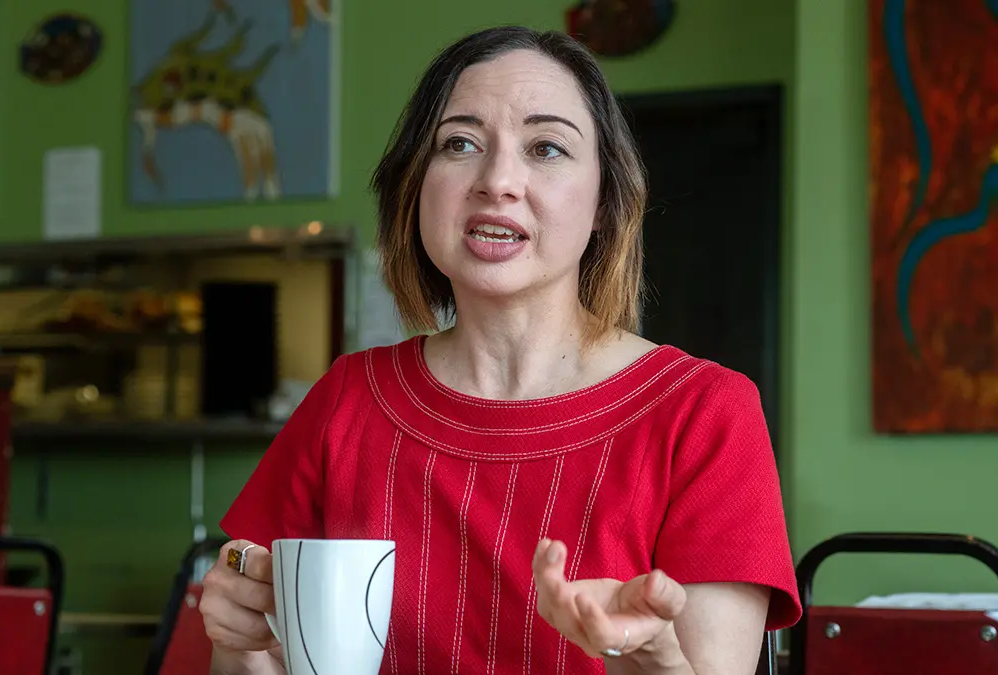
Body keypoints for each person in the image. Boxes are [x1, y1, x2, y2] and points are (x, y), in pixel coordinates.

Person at [199, 25, 801, 675]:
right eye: (460, 143)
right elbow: (259, 657)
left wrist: (656, 663)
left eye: (546, 147)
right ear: (415, 185)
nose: (498, 180)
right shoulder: (347, 397)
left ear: (604, 201)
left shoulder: (706, 410)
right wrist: (238, 643)